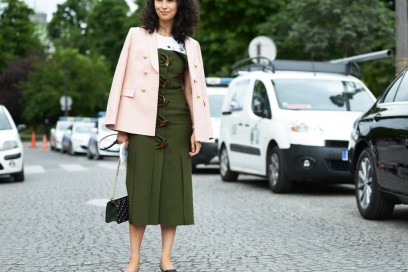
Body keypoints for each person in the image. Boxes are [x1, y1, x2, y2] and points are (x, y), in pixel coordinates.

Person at [104, 0, 213, 271]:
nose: (164, 5)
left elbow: (192, 90)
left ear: (181, 5)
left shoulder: (191, 46)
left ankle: (166, 258)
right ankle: (134, 258)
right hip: (141, 123)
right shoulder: (136, 35)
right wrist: (121, 126)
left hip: (178, 124)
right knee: (139, 190)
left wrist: (197, 129)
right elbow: (121, 78)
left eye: (171, 0)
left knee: (173, 191)